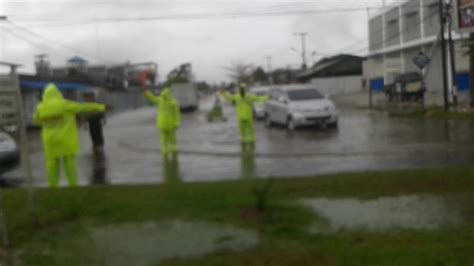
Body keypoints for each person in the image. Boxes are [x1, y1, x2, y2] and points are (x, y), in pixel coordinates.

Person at [33, 83, 106, 188]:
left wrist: (50, 124)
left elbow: (37, 121)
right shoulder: (64, 105)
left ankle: (52, 188)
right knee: (70, 166)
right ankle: (73, 186)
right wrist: (100, 107)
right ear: (57, 93)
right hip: (66, 141)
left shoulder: (40, 107)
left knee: (52, 167)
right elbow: (83, 107)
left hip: (50, 142)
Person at [141, 87, 180, 156]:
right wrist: (146, 92)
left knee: (172, 139)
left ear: (169, 94)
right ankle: (165, 151)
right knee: (163, 139)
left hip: (171, 124)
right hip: (163, 124)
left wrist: (177, 122)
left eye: (166, 94)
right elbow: (151, 98)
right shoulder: (160, 100)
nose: (164, 96)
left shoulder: (173, 102)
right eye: (164, 95)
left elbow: (176, 114)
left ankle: (173, 150)